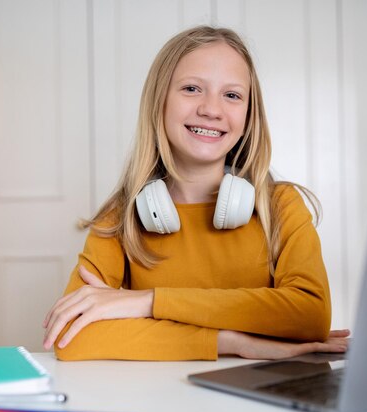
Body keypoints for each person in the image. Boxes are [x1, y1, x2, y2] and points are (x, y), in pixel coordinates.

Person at [42, 26, 350, 361]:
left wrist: (148, 302)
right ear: (159, 101)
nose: (211, 109)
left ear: (248, 116)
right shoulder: (119, 217)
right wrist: (229, 341)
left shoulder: (281, 205)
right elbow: (71, 337)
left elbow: (309, 316)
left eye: (232, 95)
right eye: (192, 88)